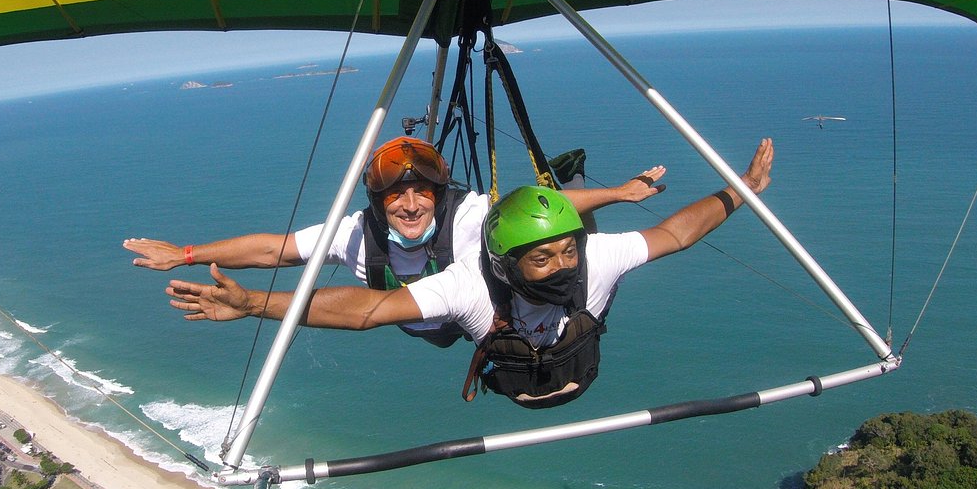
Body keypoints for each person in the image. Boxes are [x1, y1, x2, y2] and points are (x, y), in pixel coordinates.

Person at [164, 139, 774, 410]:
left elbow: (674, 233)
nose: (563, 267)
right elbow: (363, 309)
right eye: (544, 260)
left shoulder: (588, 257)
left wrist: (738, 191)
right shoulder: (467, 283)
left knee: (561, 204)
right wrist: (252, 302)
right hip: (483, 340)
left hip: (569, 362)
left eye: (567, 254)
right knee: (437, 310)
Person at [125, 136, 667, 346]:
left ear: (439, 193)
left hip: (463, 318)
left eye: (422, 193)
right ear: (379, 203)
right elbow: (274, 249)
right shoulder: (356, 233)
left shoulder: (472, 214)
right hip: (417, 322)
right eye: (395, 197)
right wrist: (189, 254)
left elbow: (536, 214)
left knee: (555, 231)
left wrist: (617, 194)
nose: (410, 205)